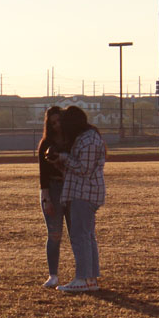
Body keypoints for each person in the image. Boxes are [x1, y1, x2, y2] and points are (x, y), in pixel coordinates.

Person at [52, 105, 106, 293]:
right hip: (82, 191)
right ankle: (90, 278)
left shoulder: (89, 140)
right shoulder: (86, 138)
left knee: (80, 236)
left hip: (85, 193)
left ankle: (83, 277)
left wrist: (65, 158)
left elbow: (84, 169)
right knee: (87, 236)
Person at [37, 106, 70, 288]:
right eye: (53, 123)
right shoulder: (45, 143)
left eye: (59, 121)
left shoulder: (71, 141)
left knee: (76, 234)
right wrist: (46, 198)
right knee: (54, 234)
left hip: (71, 187)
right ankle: (53, 275)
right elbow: (43, 175)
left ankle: (82, 274)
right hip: (54, 188)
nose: (56, 125)